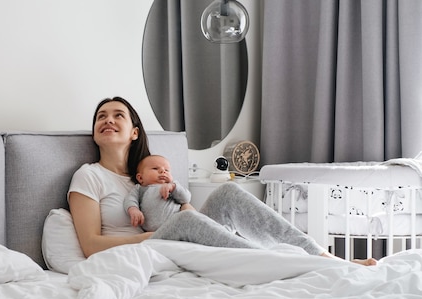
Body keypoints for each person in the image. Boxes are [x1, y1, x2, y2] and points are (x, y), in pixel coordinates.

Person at [68, 96, 377, 266]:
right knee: (182, 224)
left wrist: (184, 208)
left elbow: (185, 210)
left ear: (135, 131)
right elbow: (91, 246)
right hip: (145, 249)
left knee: (228, 192)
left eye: (117, 115)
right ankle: (275, 263)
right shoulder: (89, 176)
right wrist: (154, 236)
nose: (107, 120)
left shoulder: (150, 174)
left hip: (173, 234)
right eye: (101, 117)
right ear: (95, 131)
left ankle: (323, 256)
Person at [124, 154, 194, 232]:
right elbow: (130, 199)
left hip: (177, 224)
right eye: (155, 168)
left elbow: (186, 199)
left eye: (167, 170)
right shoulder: (140, 189)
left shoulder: (173, 186)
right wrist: (133, 209)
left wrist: (173, 187)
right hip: (155, 232)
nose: (162, 171)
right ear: (140, 178)